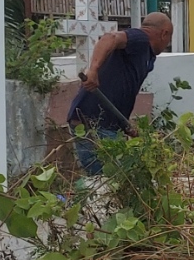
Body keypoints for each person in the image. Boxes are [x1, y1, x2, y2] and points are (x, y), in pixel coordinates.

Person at [70, 11, 173, 174]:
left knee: (115, 180)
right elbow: (109, 38)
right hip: (94, 122)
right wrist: (93, 70)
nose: (168, 43)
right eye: (169, 38)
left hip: (107, 123)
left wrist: (124, 124)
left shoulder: (147, 55)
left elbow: (121, 87)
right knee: (109, 180)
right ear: (164, 33)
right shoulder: (141, 39)